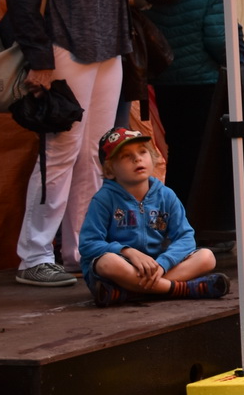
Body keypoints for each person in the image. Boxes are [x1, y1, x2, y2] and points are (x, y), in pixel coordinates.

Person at [0, 0, 146, 288]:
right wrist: (40, 58)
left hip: (108, 50)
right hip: (64, 49)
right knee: (60, 152)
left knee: (95, 155)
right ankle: (34, 255)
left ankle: (82, 248)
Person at [78, 127, 228, 306]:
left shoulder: (166, 195)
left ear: (153, 157)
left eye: (142, 151)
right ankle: (183, 289)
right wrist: (127, 252)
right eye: (126, 156)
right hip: (123, 268)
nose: (137, 159)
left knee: (207, 257)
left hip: (156, 267)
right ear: (110, 171)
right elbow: (88, 244)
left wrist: (163, 264)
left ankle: (131, 293)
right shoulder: (104, 199)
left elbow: (185, 238)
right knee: (107, 263)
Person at [144, 0, 227, 207]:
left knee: (178, 152)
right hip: (204, 84)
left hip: (166, 82)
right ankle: (202, 219)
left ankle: (175, 216)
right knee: (207, 156)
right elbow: (219, 41)